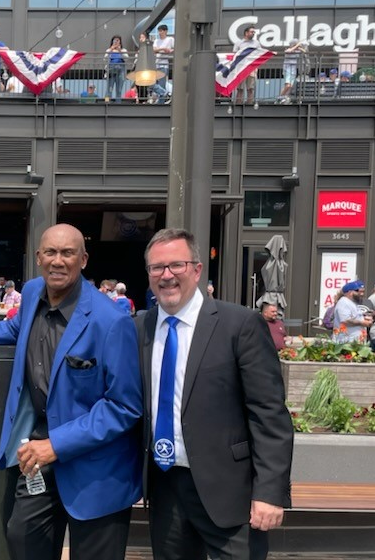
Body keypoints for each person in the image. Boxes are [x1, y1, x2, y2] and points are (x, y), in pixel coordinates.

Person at [0, 224, 142, 560]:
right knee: (21, 538)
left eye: (68, 253)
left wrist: (57, 444)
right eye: (50, 252)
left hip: (96, 469)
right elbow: (13, 327)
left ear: (84, 260)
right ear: (38, 258)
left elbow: (123, 406)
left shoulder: (112, 321)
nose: (58, 261)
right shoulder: (34, 292)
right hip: (35, 454)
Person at [138, 228, 293, 560]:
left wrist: (270, 491)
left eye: (176, 265)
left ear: (196, 269)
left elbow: (269, 414)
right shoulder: (141, 328)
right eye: (157, 267)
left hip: (230, 492)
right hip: (165, 488)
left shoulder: (240, 324)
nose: (166, 276)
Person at [233, 24, 260, 106]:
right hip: (240, 68)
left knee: (250, 88)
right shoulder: (238, 43)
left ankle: (249, 105)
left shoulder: (256, 43)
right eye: (252, 32)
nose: (253, 33)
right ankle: (238, 104)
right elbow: (234, 55)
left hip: (252, 68)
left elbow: (260, 54)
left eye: (254, 32)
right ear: (246, 33)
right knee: (240, 88)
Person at [104, 35, 127, 103]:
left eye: (118, 40)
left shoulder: (123, 50)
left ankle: (118, 102)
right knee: (109, 88)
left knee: (119, 89)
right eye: (115, 40)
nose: (116, 42)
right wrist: (111, 50)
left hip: (120, 70)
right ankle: (107, 102)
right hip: (111, 70)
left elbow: (126, 59)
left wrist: (120, 51)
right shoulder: (109, 50)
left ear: (120, 42)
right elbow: (105, 59)